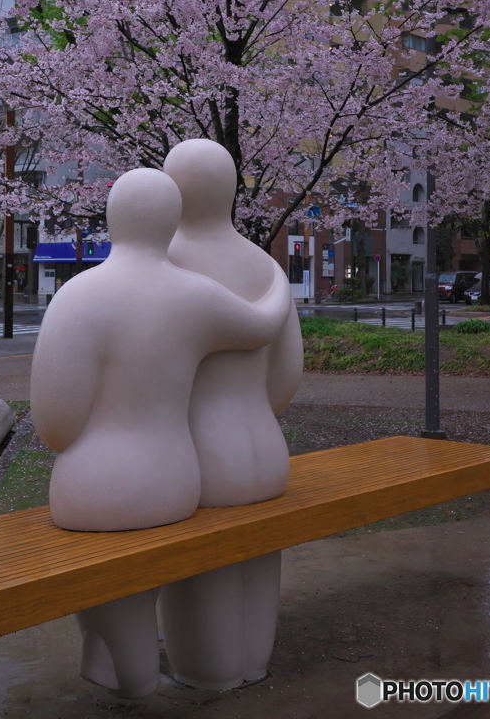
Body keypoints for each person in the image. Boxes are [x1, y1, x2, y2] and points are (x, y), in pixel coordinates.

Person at [30, 167, 292, 698]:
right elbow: (265, 336)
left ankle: (139, 670)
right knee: (245, 558)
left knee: (118, 570)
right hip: (186, 472)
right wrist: (279, 284)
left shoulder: (77, 296)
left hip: (98, 480)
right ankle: (206, 666)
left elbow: (54, 424)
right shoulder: (195, 291)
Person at [158, 139, 304, 690]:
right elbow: (287, 377)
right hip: (265, 443)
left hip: (197, 447)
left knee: (201, 563)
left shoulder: (163, 261)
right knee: (261, 555)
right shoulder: (265, 265)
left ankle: (210, 672)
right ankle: (253, 663)